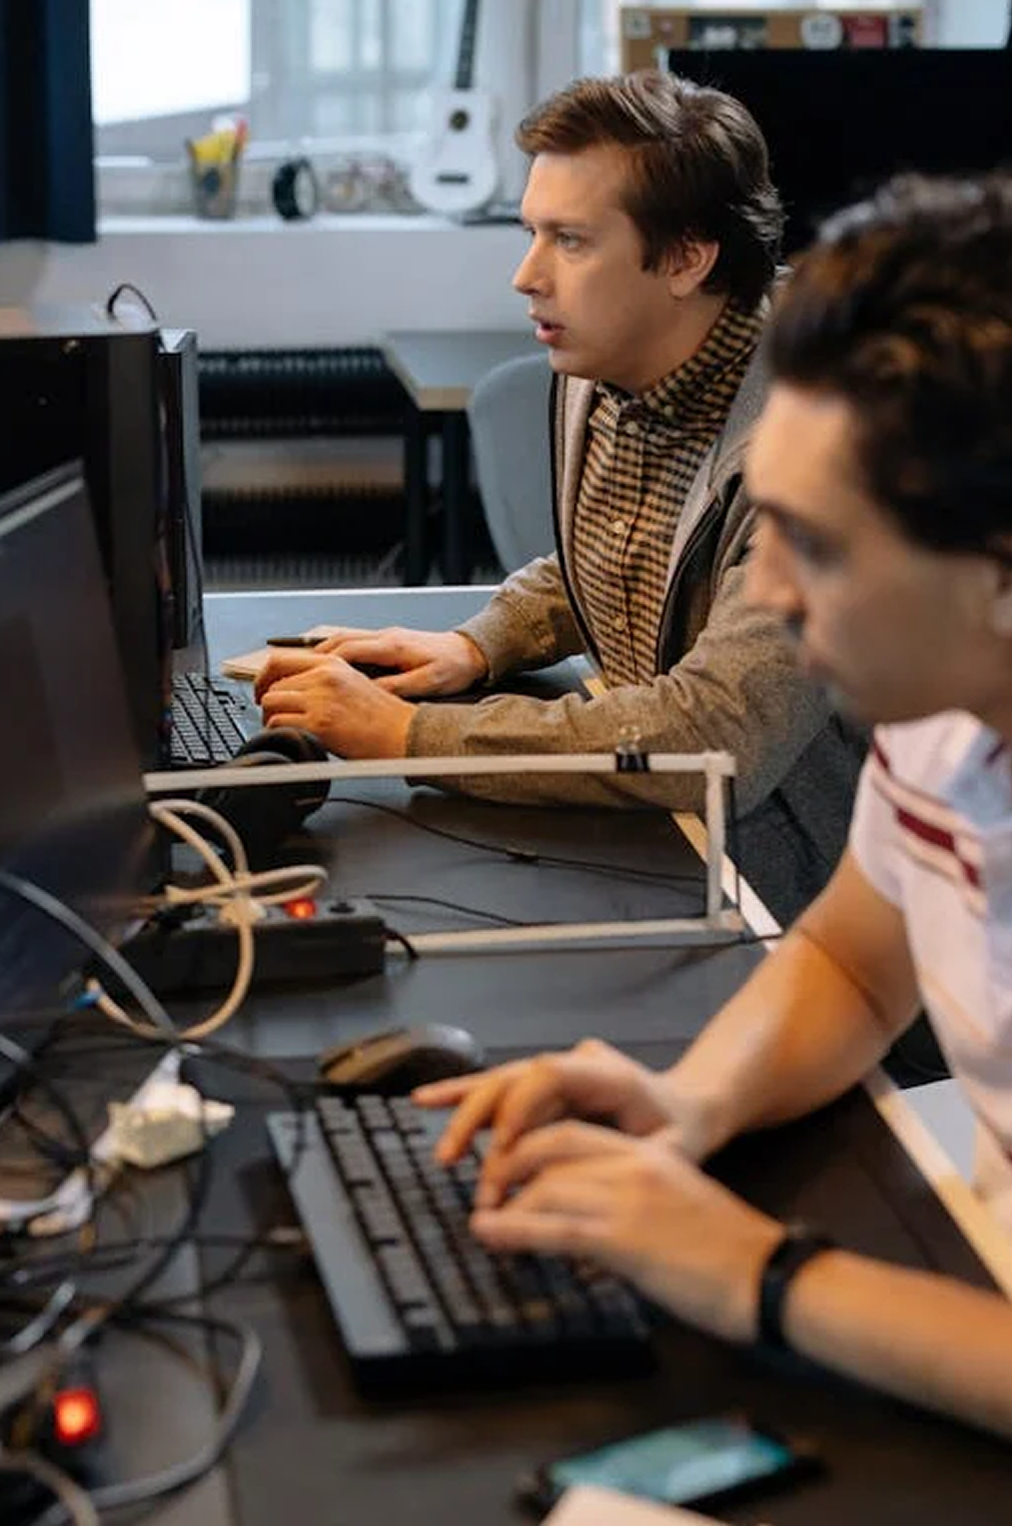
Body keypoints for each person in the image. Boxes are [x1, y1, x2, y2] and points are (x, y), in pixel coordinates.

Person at [413, 173, 1012, 1439]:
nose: (773, 595)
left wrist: (757, 1270)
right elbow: (854, 961)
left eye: (819, 544)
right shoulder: (945, 712)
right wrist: (693, 1098)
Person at [254, 69, 866, 931]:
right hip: (664, 835)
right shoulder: (604, 355)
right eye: (530, 232)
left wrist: (408, 737)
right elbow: (638, 550)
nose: (525, 276)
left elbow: (714, 736)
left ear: (688, 257)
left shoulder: (819, 458)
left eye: (570, 241)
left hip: (801, 902)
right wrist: (480, 643)